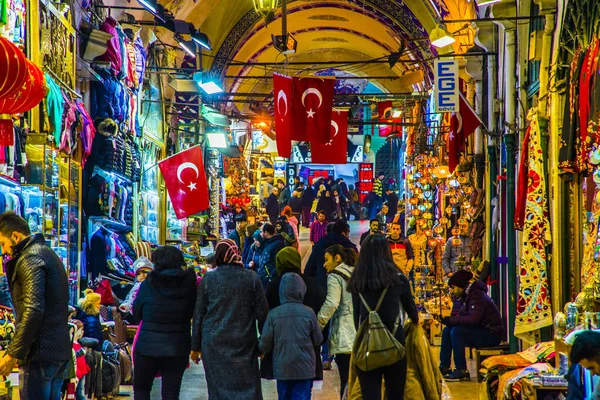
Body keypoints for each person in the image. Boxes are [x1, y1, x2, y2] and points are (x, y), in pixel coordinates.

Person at [0, 212, 71, 398]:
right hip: (56, 352)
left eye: (3, 244)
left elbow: (33, 310)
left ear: (15, 236)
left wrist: (13, 353)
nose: (4, 251)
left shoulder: (30, 258)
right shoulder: (47, 254)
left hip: (40, 353)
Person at [191, 239, 269, 399]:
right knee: (249, 390)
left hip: (213, 345)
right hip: (244, 345)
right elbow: (263, 314)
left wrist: (195, 346)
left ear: (218, 256)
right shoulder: (251, 278)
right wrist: (263, 346)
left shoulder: (209, 279)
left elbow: (198, 314)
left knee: (218, 391)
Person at [347, 234, 418, 399]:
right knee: (395, 394)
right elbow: (413, 313)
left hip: (367, 344)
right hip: (395, 342)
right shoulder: (398, 279)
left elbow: (357, 319)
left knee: (370, 395)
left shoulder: (357, 281)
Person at [133, 246, 197, 399]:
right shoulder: (189, 284)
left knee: (142, 390)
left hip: (147, 347)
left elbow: (137, 312)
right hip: (177, 347)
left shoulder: (149, 282)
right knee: (171, 393)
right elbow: (193, 312)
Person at [263, 247, 326, 382]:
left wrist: (264, 345)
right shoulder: (314, 284)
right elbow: (322, 313)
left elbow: (265, 316)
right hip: (308, 351)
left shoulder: (273, 286)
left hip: (280, 351)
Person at [260, 273, 323, 400]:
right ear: (302, 289)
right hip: (305, 369)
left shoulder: (273, 315)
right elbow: (318, 339)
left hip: (283, 369)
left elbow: (265, 344)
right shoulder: (309, 313)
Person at [437, 270, 503, 381]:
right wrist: (449, 321)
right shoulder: (468, 296)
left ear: (459, 286)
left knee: (457, 332)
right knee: (447, 330)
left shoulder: (477, 296)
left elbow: (473, 319)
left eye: (453, 287)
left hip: (491, 334)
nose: (452, 291)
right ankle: (444, 367)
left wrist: (452, 320)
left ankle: (461, 370)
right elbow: (463, 316)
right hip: (482, 330)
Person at [317, 245, 357, 398]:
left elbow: (332, 303)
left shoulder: (335, 275)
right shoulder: (356, 272)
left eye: (327, 260)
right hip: (360, 334)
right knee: (358, 382)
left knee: (346, 381)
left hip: (344, 334)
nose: (324, 264)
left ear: (337, 258)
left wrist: (317, 324)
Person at [305, 220, 357, 289]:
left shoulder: (319, 245)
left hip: (321, 288)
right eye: (348, 234)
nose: (348, 237)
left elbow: (309, 271)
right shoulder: (350, 249)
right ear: (343, 233)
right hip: (345, 289)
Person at [258, 223, 286, 289]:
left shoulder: (278, 244)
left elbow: (278, 263)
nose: (260, 234)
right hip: (264, 278)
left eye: (261, 232)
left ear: (266, 233)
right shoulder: (265, 242)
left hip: (271, 281)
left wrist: (271, 277)